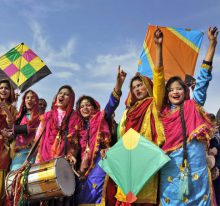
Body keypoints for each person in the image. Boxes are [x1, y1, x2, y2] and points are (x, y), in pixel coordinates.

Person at [159, 27, 218, 205]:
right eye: (171, 90)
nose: (175, 92)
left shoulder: (193, 105)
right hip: (170, 169)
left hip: (197, 168)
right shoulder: (162, 114)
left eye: (179, 88)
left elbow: (203, 80)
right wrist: (159, 48)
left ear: (185, 91)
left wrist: (212, 46)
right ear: (166, 94)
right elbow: (158, 76)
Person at [115, 28, 165, 205]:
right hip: (128, 159)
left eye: (140, 85)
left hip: (146, 160)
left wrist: (158, 47)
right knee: (126, 200)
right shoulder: (127, 112)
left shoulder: (153, 104)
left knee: (142, 200)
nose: (137, 89)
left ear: (147, 87)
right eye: (134, 87)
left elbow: (159, 78)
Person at [75, 67, 126, 205]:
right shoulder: (78, 128)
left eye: (88, 105)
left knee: (97, 193)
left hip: (100, 160)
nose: (85, 108)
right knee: (81, 196)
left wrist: (119, 84)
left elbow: (112, 104)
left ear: (94, 107)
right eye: (82, 106)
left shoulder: (101, 117)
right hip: (82, 168)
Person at [34, 85, 80, 206]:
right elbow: (38, 138)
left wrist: (72, 154)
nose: (62, 95)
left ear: (71, 99)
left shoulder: (75, 118)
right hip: (44, 159)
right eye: (60, 93)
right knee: (43, 196)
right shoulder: (48, 115)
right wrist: (37, 158)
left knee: (59, 199)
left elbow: (75, 142)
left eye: (66, 94)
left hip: (63, 162)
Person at [2, 90, 40, 206]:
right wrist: (8, 134)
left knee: (28, 183)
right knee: (14, 180)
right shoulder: (18, 116)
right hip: (18, 153)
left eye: (32, 97)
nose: (29, 99)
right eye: (27, 97)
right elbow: (13, 133)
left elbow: (40, 130)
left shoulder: (40, 117)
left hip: (32, 153)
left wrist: (24, 129)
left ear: (36, 101)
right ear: (24, 100)